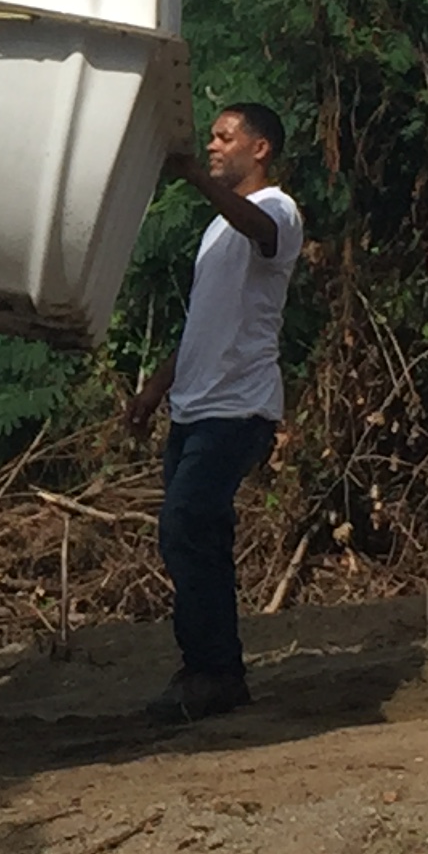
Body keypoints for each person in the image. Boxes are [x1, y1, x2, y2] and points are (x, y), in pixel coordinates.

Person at [124, 103, 303, 724]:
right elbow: (202, 322)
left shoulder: (277, 210)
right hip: (195, 408)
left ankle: (212, 672)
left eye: (226, 138)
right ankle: (213, 668)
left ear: (261, 149)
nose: (214, 146)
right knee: (191, 538)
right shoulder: (214, 234)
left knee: (187, 523)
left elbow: (264, 231)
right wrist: (153, 391)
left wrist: (196, 179)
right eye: (212, 139)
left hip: (239, 406)